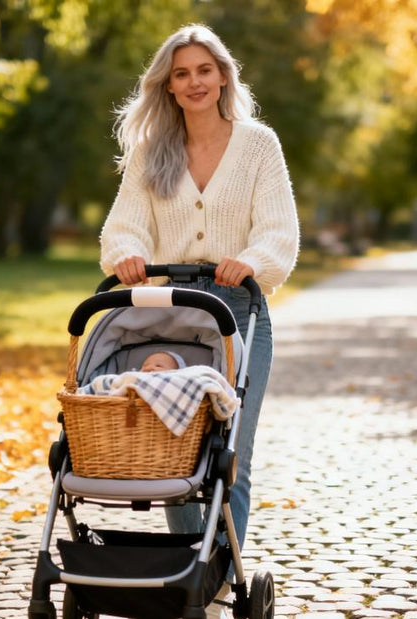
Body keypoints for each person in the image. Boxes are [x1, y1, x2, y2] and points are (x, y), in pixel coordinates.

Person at [99, 22, 299, 611]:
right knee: (175, 447)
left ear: (222, 77)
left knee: (229, 452)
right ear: (167, 85)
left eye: (203, 71)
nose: (193, 82)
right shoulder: (150, 152)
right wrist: (128, 254)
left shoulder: (258, 144)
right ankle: (188, 568)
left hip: (237, 310)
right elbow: (126, 222)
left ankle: (212, 580)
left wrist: (252, 261)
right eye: (181, 73)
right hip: (169, 310)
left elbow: (279, 228)